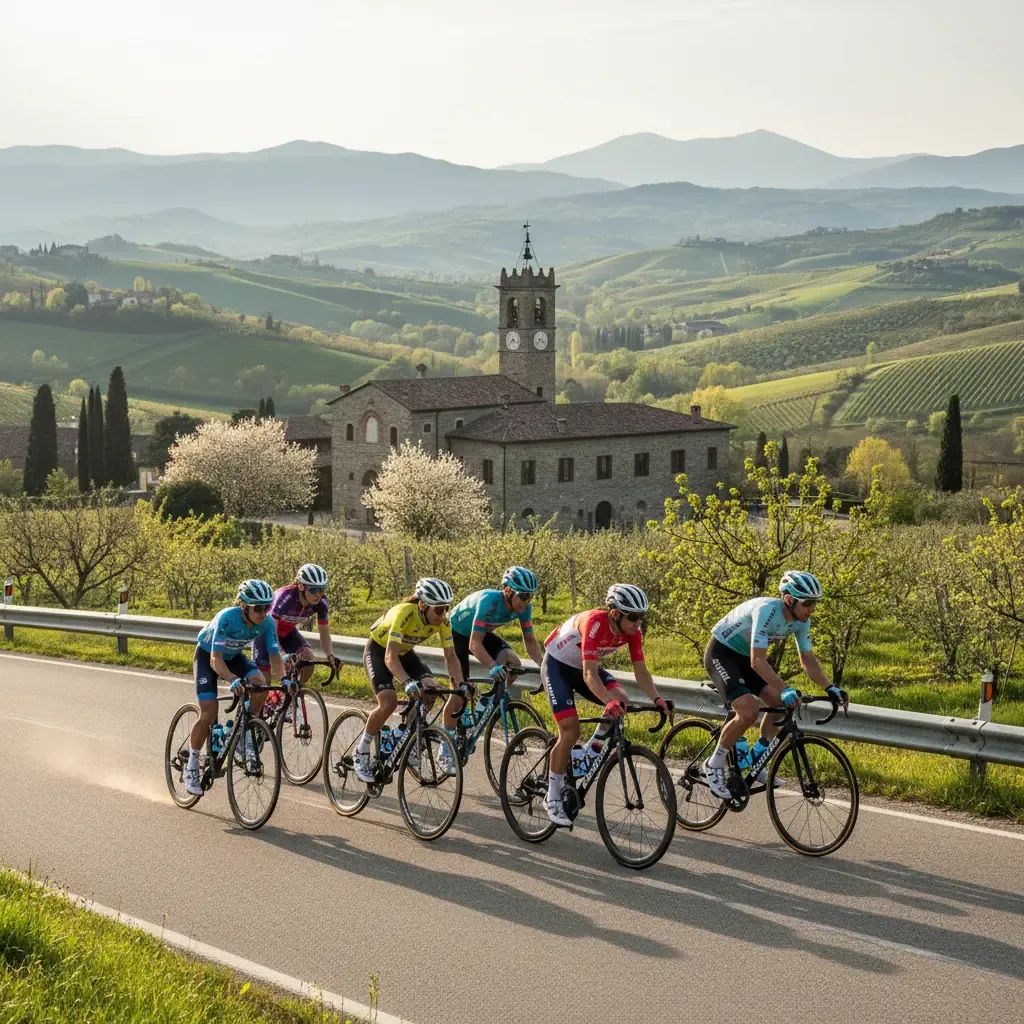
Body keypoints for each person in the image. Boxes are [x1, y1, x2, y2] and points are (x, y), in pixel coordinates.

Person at [701, 569, 847, 800]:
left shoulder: (801, 621)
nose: (811, 609)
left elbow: (807, 659)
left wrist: (829, 687)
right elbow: (758, 660)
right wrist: (785, 687)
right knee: (749, 711)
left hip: (747, 658)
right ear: (788, 599)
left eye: (815, 603)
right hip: (723, 653)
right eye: (807, 603)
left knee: (781, 704)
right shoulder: (767, 610)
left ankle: (758, 758)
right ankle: (713, 763)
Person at [540, 583, 670, 827]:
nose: (637, 623)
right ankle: (552, 795)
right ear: (615, 613)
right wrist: (607, 701)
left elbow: (641, 671)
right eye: (633, 617)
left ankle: (587, 754)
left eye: (641, 617)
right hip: (557, 666)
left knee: (622, 701)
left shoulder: (633, 633)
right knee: (570, 730)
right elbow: (590, 675)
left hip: (582, 668)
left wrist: (657, 698)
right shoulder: (595, 623)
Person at [353, 577, 467, 783]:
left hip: (405, 653)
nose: (443, 615)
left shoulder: (443, 622)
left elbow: (451, 657)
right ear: (422, 605)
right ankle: (361, 751)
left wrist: (460, 685)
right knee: (388, 701)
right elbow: (390, 657)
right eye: (439, 610)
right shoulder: (403, 613)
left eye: (446, 608)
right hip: (379, 651)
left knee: (430, 690)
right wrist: (406, 681)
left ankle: (409, 740)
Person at [184, 579, 286, 796]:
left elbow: (275, 656)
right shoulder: (227, 618)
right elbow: (215, 660)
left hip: (234, 657)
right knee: (209, 711)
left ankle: (243, 730)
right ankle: (192, 763)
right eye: (258, 608)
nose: (263, 612)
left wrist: (284, 679)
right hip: (208, 657)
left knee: (261, 685)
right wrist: (232, 679)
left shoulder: (266, 623)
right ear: (244, 606)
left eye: (266, 607)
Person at [447, 565, 545, 721]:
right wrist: (493, 666)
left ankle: (487, 702)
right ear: (508, 591)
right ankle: (448, 738)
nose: (526, 602)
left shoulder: (524, 608)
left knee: (513, 663)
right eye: (523, 596)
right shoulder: (489, 602)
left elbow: (530, 640)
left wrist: (543, 664)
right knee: (461, 690)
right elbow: (474, 643)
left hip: (479, 633)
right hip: (456, 634)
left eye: (530, 596)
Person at [253, 563, 340, 686]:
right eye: (314, 589)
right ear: (301, 586)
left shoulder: (322, 602)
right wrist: (281, 655)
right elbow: (271, 630)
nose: (318, 594)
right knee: (263, 684)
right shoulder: (285, 598)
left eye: (322, 589)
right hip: (265, 632)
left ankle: (289, 694)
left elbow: (324, 632)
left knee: (308, 659)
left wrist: (330, 656)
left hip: (287, 632)